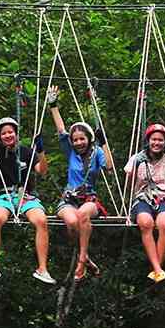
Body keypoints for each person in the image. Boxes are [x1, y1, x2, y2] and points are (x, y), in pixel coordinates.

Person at [0, 86, 56, 284]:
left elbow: (42, 171)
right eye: (3, 133)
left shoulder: (26, 152)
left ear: (16, 133)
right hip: (3, 197)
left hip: (26, 197)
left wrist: (41, 151)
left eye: (10, 132)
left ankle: (42, 268)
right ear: (0, 136)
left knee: (41, 221)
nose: (7, 136)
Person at [50, 89, 115, 282]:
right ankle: (85, 257)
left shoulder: (96, 153)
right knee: (71, 222)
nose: (78, 142)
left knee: (82, 215)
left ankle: (81, 260)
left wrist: (104, 143)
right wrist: (53, 106)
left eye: (82, 139)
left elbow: (110, 167)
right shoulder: (70, 153)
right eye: (75, 139)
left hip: (89, 198)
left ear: (89, 139)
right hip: (69, 198)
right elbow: (61, 130)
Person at [125, 122, 165, 283]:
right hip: (142, 197)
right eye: (154, 139)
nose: (157, 143)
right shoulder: (137, 158)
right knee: (145, 222)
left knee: (164, 223)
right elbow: (128, 187)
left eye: (161, 140)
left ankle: (156, 268)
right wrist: (136, 166)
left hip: (161, 196)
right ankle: (158, 269)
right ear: (148, 141)